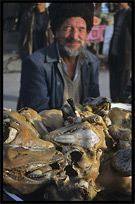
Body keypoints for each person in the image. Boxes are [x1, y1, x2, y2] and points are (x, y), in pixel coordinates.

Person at [20, 3, 100, 113]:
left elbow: (94, 104)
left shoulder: (92, 62)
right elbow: (38, 114)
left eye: (81, 29)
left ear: (87, 33)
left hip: (84, 129)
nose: (74, 36)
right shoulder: (35, 64)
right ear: (56, 32)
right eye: (68, 29)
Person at [17, 2, 54, 110]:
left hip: (46, 57)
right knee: (26, 87)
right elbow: (22, 36)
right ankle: (23, 115)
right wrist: (22, 53)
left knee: (47, 86)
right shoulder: (27, 16)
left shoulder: (50, 16)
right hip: (31, 55)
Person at [108, 3, 131, 103]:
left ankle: (122, 112)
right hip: (114, 54)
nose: (115, 4)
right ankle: (114, 107)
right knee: (113, 86)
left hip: (126, 56)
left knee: (123, 87)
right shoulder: (117, 15)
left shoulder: (130, 15)